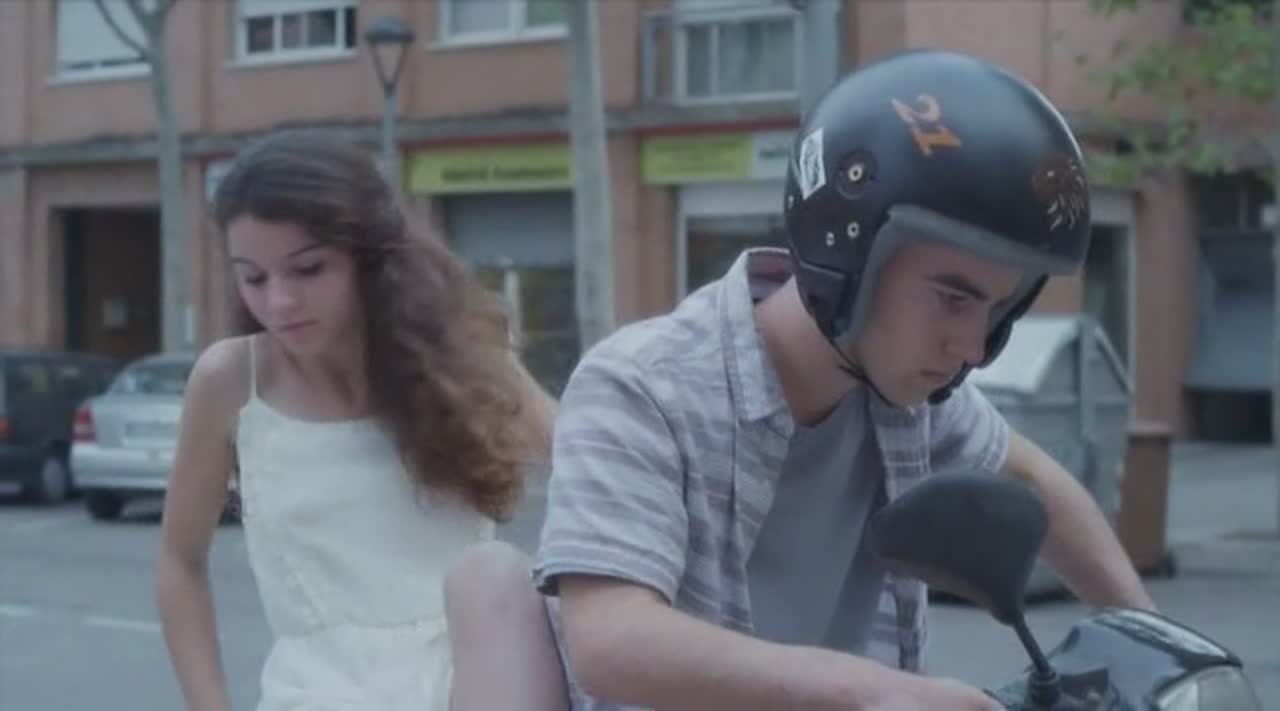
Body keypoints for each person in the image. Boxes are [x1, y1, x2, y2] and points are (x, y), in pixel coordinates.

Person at [463, 49, 1159, 710]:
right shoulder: (642, 387)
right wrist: (870, 690)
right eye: (953, 298)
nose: (974, 347)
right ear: (848, 249)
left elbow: (1031, 480)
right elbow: (611, 635)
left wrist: (1158, 652)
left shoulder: (907, 393)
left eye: (997, 308)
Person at [154, 131, 568, 711]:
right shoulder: (230, 381)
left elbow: (593, 465)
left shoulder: (461, 356)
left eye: (308, 269)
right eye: (254, 278)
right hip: (321, 692)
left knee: (496, 570)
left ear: (370, 258)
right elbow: (179, 561)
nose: (279, 302)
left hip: (481, 678)